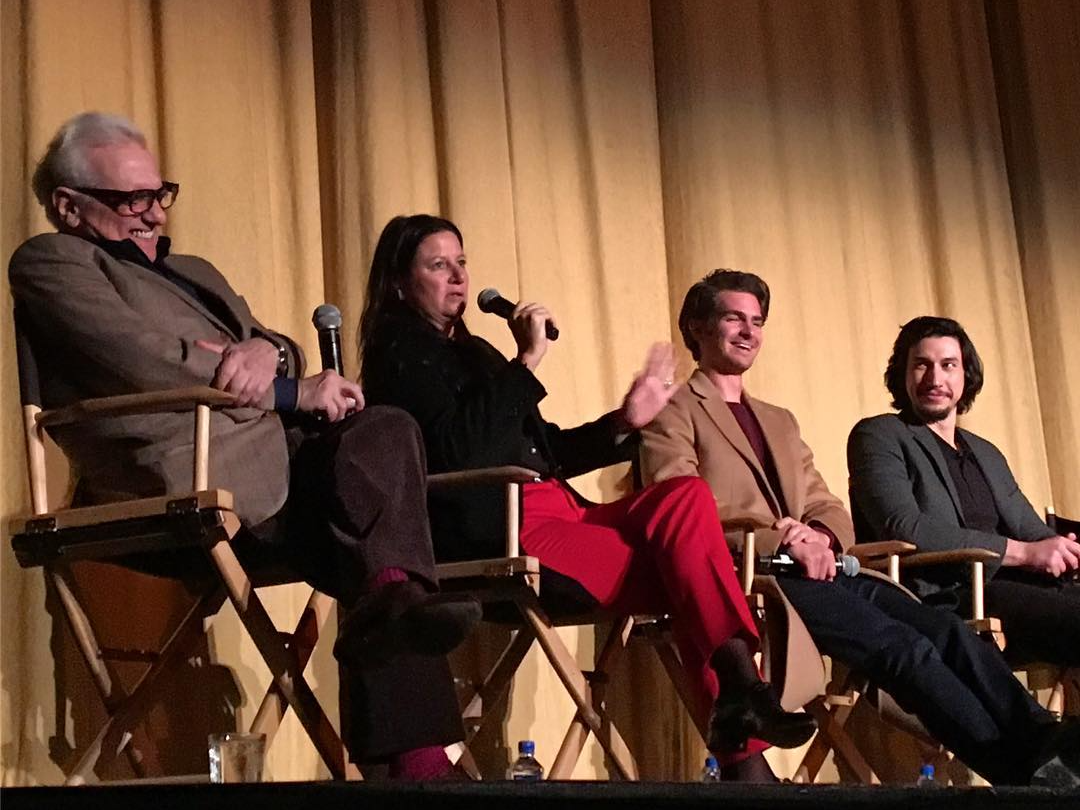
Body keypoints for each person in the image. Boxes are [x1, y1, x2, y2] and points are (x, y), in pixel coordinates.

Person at [10, 112, 479, 779]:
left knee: (386, 430)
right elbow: (145, 362)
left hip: (269, 455)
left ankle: (393, 611)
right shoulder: (53, 262)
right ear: (68, 205)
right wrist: (284, 390)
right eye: (129, 200)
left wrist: (264, 351)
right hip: (182, 471)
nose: (151, 214)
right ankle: (415, 756)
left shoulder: (194, 268)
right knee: (374, 518)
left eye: (159, 194)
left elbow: (276, 344)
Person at [357, 214, 816, 781]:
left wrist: (624, 421)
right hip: (506, 523)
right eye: (438, 265)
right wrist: (525, 363)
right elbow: (457, 450)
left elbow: (546, 449)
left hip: (561, 509)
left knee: (684, 499)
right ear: (401, 283)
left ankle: (740, 699)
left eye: (462, 263)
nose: (458, 278)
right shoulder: (396, 355)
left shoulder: (477, 356)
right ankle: (745, 737)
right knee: (692, 571)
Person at [639, 269, 1079, 786]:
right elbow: (678, 507)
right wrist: (787, 538)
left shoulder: (778, 418)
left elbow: (824, 501)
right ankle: (1019, 775)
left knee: (948, 634)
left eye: (756, 321)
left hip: (828, 567)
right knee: (901, 650)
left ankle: (1045, 746)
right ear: (697, 327)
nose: (748, 331)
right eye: (733, 318)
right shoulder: (671, 411)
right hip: (755, 573)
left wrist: (821, 537)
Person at [848, 315, 1080, 667]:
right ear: (902, 373)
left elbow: (1032, 531)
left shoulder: (985, 452)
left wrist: (1063, 549)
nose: (935, 379)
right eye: (921, 365)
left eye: (948, 365)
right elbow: (903, 526)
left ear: (965, 374)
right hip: (951, 596)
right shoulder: (879, 435)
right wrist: (1023, 553)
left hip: (1016, 589)